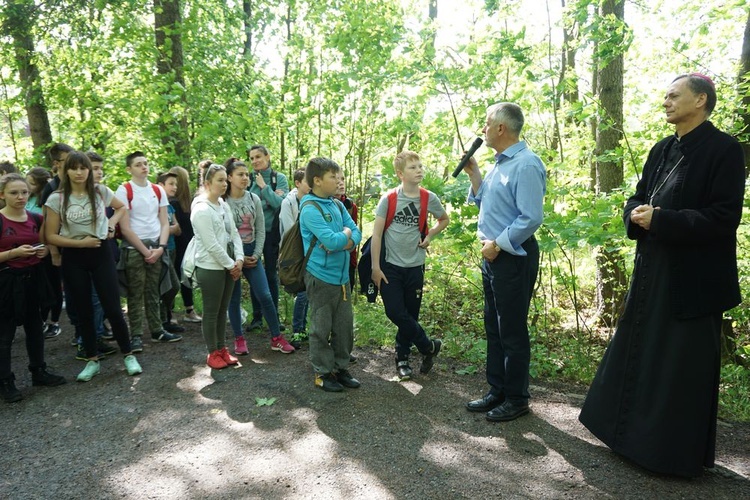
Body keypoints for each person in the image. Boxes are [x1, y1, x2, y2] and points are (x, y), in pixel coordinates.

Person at [579, 74, 745, 478]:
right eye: (666, 96)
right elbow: (639, 195)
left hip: (695, 280)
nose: (666, 101)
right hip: (653, 271)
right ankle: (630, 441)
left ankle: (670, 456)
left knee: (679, 368)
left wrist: (663, 220)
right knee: (642, 353)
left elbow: (725, 217)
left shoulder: (725, 150)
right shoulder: (661, 149)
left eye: (674, 95)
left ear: (700, 100)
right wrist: (636, 213)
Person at [462, 103, 546, 422]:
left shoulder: (526, 164)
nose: (482, 128)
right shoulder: (500, 163)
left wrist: (497, 244)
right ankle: (497, 389)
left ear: (500, 128)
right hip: (493, 256)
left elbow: (530, 217)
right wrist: (474, 175)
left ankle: (516, 397)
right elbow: (490, 203)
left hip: (512, 256)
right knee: (494, 327)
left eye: (486, 123)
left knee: (511, 329)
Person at [44, 152, 143, 382]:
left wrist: (110, 223)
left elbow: (121, 208)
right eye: (74, 168)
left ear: (89, 170)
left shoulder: (100, 191)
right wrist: (80, 243)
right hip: (74, 258)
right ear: (65, 171)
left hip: (101, 254)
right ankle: (92, 359)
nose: (79, 173)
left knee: (112, 307)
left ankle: (128, 355)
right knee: (84, 309)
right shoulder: (56, 199)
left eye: (83, 168)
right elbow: (50, 236)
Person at [370, 151, 449, 380]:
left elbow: (444, 219)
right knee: (395, 311)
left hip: (415, 265)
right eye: (413, 167)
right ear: (400, 173)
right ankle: (428, 346)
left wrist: (430, 235)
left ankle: (402, 359)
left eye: (420, 166)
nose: (419, 170)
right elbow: (376, 235)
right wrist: (376, 268)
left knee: (410, 315)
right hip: (390, 266)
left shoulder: (428, 198)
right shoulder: (389, 199)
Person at [0, 173, 66, 402]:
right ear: (2, 195)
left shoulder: (35, 218)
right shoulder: (1, 220)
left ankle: (38, 370)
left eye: (24, 192)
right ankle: (6, 381)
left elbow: (45, 244)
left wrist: (43, 251)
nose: (20, 197)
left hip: (33, 278)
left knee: (35, 327)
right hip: (7, 282)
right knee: (5, 334)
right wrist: (14, 253)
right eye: (14, 193)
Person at [299, 157, 362, 392]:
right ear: (317, 180)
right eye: (332, 177)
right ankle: (323, 373)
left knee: (344, 327)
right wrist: (345, 236)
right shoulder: (309, 208)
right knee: (320, 328)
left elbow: (356, 232)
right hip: (321, 277)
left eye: (339, 176)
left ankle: (340, 368)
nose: (338, 181)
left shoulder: (336, 204)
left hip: (342, 277)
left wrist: (345, 239)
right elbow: (332, 240)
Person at [224, 158, 295, 356]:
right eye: (240, 174)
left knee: (264, 294)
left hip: (253, 254)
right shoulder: (223, 202)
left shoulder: (254, 198)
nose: (245, 178)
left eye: (247, 174)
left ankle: (276, 338)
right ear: (229, 177)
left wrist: (255, 254)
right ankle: (239, 339)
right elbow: (223, 234)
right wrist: (236, 259)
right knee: (234, 298)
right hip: (232, 258)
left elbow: (261, 230)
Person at [116, 151, 182, 353]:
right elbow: (125, 227)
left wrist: (161, 248)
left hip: (156, 246)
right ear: (129, 169)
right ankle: (135, 335)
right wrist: (145, 251)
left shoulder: (157, 190)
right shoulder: (124, 190)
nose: (144, 167)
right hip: (134, 248)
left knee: (154, 291)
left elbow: (164, 222)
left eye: (145, 163)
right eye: (138, 164)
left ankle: (157, 330)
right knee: (136, 293)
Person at [190, 164, 244, 369]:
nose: (224, 184)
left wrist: (239, 258)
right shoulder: (202, 209)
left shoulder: (223, 204)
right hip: (210, 267)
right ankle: (212, 352)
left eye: (225, 180)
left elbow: (234, 234)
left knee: (223, 311)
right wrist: (232, 264)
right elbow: (211, 244)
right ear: (207, 184)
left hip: (229, 265)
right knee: (212, 311)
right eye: (219, 180)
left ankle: (222, 349)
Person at [245, 145, 289, 332]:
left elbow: (280, 204)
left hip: (271, 234)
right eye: (252, 158)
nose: (255, 161)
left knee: (271, 275)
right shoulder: (246, 180)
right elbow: (247, 206)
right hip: (251, 234)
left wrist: (264, 188)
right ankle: (257, 317)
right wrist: (268, 200)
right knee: (255, 274)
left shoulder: (278, 178)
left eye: (258, 157)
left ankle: (274, 318)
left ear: (267, 156)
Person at [40, 143, 73, 340]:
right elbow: (46, 225)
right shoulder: (51, 188)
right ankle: (52, 322)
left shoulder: (78, 183)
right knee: (56, 286)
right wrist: (54, 253)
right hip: (58, 246)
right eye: (67, 160)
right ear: (56, 163)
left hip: (78, 245)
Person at [279, 168, 311, 348]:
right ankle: (297, 330)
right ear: (298, 183)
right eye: (307, 182)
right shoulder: (288, 203)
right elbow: (290, 232)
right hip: (294, 254)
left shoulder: (309, 201)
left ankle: (302, 328)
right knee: (302, 292)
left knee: (306, 291)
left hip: (308, 252)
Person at [169, 166, 202, 323]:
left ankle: (189, 309)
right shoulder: (170, 203)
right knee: (173, 278)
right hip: (174, 245)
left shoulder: (190, 202)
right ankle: (168, 311)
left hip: (188, 246)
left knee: (186, 276)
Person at [157, 171, 185, 334]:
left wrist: (169, 228)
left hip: (173, 249)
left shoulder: (170, 206)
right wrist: (169, 228)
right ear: (161, 186)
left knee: (171, 286)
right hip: (162, 250)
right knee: (169, 286)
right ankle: (161, 321)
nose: (175, 187)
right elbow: (159, 229)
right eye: (171, 184)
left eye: (176, 184)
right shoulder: (155, 205)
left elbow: (178, 229)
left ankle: (166, 318)